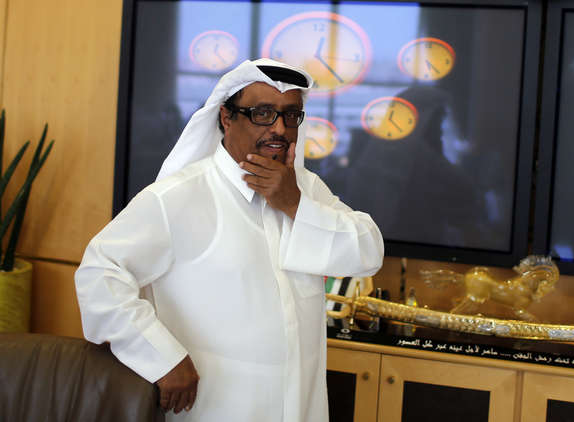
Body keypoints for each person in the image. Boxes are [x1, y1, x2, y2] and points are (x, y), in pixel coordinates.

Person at [74, 58, 384, 422]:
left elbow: (368, 252)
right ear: (226, 117)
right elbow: (99, 273)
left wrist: (294, 204)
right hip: (214, 409)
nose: (280, 129)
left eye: (290, 115)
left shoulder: (306, 189)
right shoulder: (178, 196)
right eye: (262, 113)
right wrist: (160, 357)